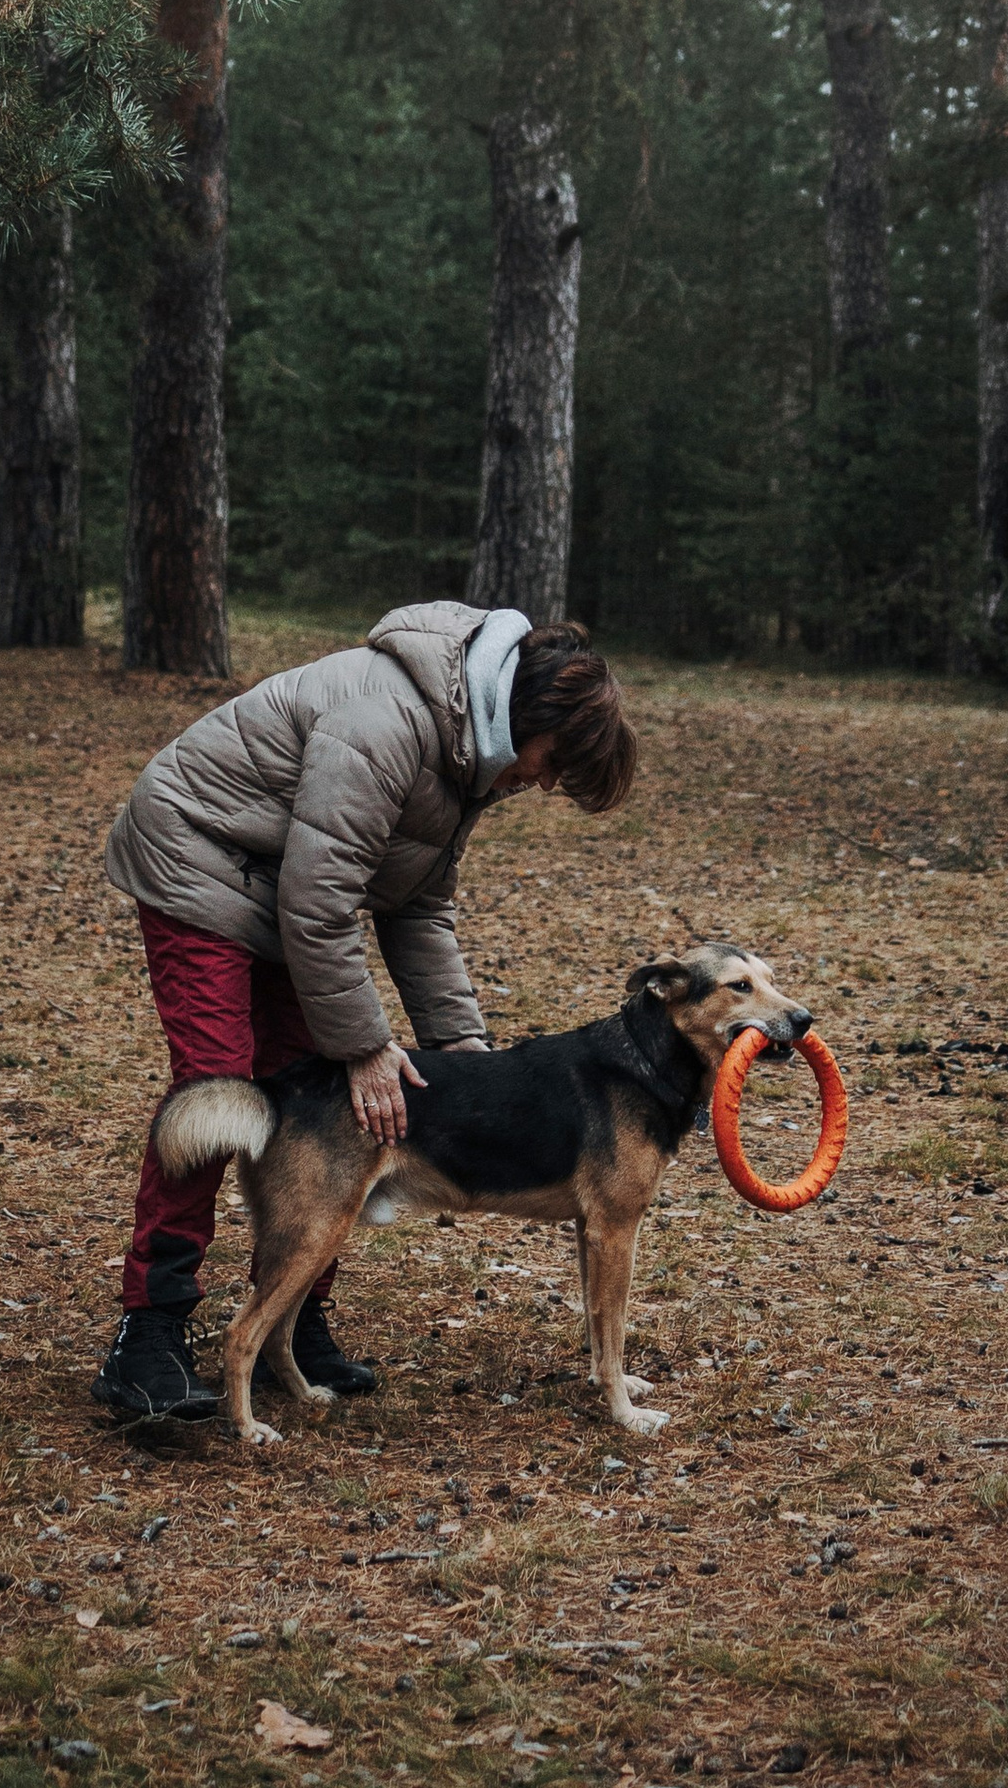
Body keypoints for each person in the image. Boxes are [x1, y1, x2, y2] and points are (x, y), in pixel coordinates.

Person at [92, 602, 638, 1421]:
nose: (546, 782)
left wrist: (467, 1055)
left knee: (320, 1109)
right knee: (219, 1089)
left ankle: (289, 1323)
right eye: (555, 761)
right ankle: (149, 1335)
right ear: (529, 714)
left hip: (280, 888)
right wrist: (366, 1045)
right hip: (199, 856)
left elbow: (416, 911)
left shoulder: (469, 754)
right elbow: (319, 903)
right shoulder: (389, 723)